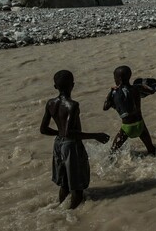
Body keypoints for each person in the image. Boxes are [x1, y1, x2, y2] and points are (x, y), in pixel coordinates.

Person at [40, 70, 110, 209]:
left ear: (55, 87)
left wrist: (59, 133)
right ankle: (73, 215)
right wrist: (96, 135)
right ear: (73, 85)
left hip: (58, 145)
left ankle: (61, 210)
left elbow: (44, 130)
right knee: (77, 187)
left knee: (64, 184)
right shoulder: (73, 105)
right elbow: (70, 133)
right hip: (71, 146)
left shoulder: (50, 103)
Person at [103, 65, 156, 155]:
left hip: (127, 128)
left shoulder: (115, 93)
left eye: (114, 77)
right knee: (151, 150)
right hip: (141, 126)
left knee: (113, 152)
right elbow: (152, 91)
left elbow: (105, 107)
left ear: (119, 78)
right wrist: (145, 85)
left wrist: (111, 92)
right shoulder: (136, 88)